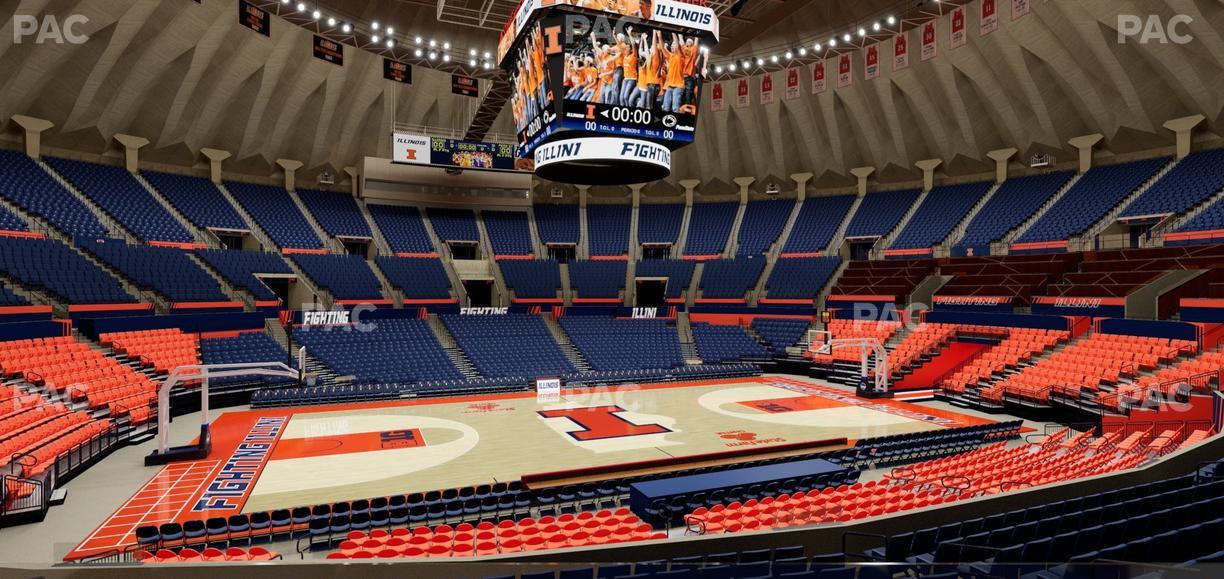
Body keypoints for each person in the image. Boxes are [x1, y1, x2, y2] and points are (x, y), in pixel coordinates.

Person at [659, 33, 686, 113]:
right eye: (672, 45)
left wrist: (674, 33)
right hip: (669, 86)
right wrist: (659, 36)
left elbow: (677, 44)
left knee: (675, 108)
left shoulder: (681, 56)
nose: (672, 46)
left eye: (673, 44)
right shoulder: (670, 56)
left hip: (678, 86)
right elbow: (662, 48)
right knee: (665, 108)